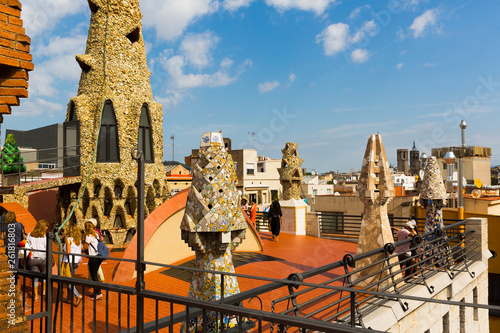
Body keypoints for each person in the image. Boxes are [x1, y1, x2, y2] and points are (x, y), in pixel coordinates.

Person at [26, 219, 49, 300]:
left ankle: (35, 295)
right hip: (43, 258)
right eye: (46, 226)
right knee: (44, 276)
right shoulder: (45, 237)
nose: (47, 227)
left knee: (35, 277)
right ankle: (43, 292)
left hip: (33, 258)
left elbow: (27, 245)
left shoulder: (30, 235)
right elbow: (47, 248)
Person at [63, 223, 83, 306]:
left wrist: (62, 250)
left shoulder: (68, 239)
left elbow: (68, 252)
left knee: (67, 280)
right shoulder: (78, 240)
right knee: (70, 279)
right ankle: (69, 298)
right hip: (76, 262)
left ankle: (77, 295)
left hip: (69, 261)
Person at [84, 220, 103, 300]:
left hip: (93, 257)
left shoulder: (88, 236)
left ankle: (99, 293)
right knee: (94, 274)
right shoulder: (96, 234)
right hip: (98, 256)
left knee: (93, 275)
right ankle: (96, 292)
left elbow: (85, 246)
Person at [87, 218, 105, 283]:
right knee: (94, 266)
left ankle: (98, 281)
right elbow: (101, 238)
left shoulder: (91, 233)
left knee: (94, 268)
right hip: (98, 252)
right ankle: (91, 278)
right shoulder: (97, 231)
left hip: (93, 253)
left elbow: (85, 245)